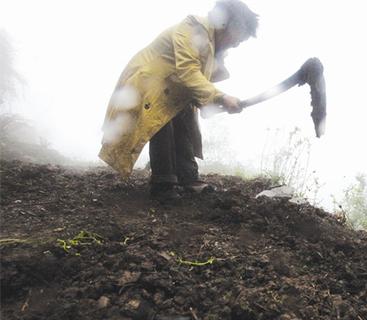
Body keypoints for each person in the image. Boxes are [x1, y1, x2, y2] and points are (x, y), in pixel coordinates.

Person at [99, 0, 258, 201]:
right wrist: (221, 97)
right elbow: (188, 71)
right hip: (147, 85)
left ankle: (187, 177)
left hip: (169, 89)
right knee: (161, 120)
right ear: (226, 24)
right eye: (238, 37)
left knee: (183, 117)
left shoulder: (210, 47)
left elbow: (197, 85)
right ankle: (163, 184)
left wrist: (214, 102)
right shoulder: (192, 28)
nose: (237, 44)